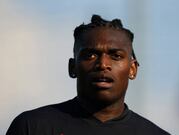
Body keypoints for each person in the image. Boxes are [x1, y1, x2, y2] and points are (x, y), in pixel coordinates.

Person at [6, 15, 170, 135]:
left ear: (132, 69)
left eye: (116, 56)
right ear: (72, 67)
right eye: (90, 55)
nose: (103, 64)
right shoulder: (32, 127)